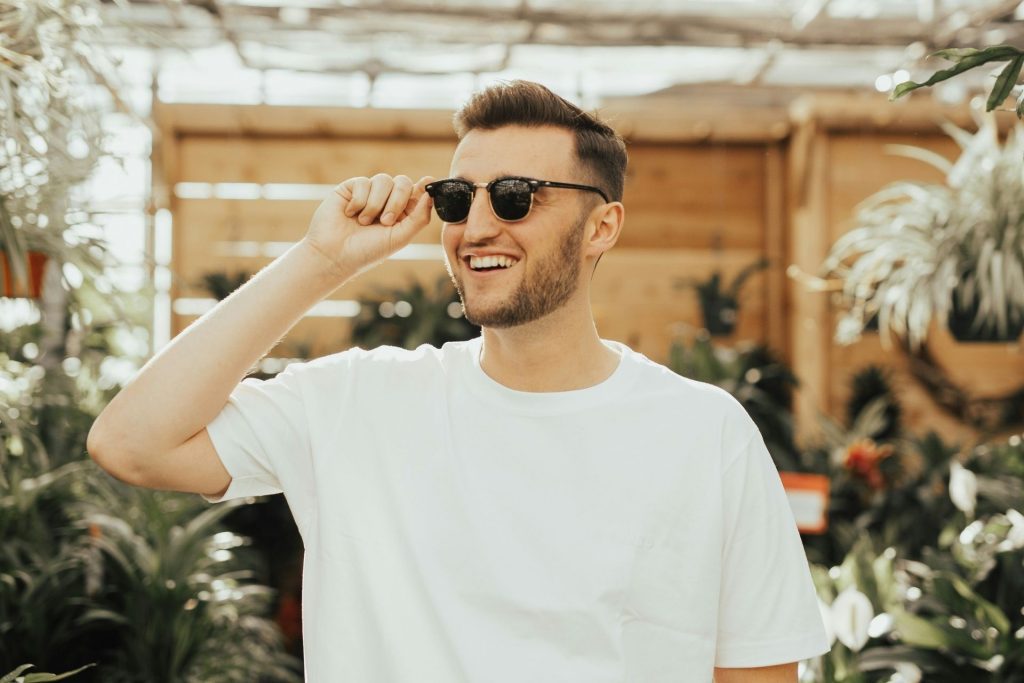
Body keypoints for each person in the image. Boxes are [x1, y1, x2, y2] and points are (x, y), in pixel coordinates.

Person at [88, 80, 830, 682]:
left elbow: (757, 673)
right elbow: (131, 443)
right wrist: (322, 262)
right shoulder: (356, 402)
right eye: (456, 198)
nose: (476, 226)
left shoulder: (704, 432)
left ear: (601, 227)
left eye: (516, 196)